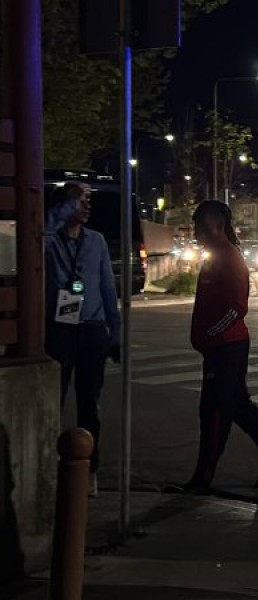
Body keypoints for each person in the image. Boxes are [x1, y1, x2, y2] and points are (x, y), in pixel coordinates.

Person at [181, 200, 258, 495]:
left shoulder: (228, 257)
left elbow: (236, 307)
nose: (195, 230)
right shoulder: (216, 255)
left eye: (198, 224)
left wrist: (210, 334)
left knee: (214, 412)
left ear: (215, 225)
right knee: (238, 407)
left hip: (227, 347)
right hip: (220, 346)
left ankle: (203, 477)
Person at [44, 181, 121, 497]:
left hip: (91, 328)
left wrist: (114, 333)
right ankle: (48, 468)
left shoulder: (97, 241)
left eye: (89, 200)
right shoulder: (50, 240)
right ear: (64, 205)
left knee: (91, 404)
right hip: (59, 329)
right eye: (81, 200)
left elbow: (107, 288)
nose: (87, 206)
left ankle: (90, 470)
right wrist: (65, 204)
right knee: (53, 402)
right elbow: (41, 232)